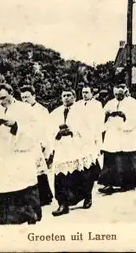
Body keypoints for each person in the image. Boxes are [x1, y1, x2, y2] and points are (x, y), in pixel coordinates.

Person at [50, 88, 100, 216]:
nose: (66, 98)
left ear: (74, 97)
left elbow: (90, 128)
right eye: (64, 95)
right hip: (62, 147)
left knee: (83, 175)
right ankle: (63, 204)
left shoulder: (82, 111)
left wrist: (73, 131)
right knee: (61, 176)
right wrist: (57, 133)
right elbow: (48, 129)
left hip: (79, 146)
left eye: (69, 95)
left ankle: (87, 196)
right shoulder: (56, 112)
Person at [0, 83, 42, 225]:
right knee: (6, 190)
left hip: (21, 155)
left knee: (25, 190)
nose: (1, 102)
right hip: (4, 156)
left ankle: (31, 219)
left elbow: (35, 132)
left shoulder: (25, 109)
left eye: (3, 97)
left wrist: (16, 126)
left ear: (11, 93)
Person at [98, 84, 136, 195]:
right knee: (111, 159)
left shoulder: (133, 103)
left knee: (125, 159)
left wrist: (124, 118)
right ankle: (109, 184)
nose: (118, 96)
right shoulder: (110, 103)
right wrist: (107, 115)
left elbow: (135, 119)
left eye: (120, 94)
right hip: (112, 134)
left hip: (126, 135)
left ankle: (127, 184)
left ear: (125, 92)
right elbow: (103, 116)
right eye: (116, 94)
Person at [19, 85, 54, 207]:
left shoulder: (42, 110)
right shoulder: (21, 110)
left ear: (34, 96)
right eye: (22, 97)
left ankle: (45, 196)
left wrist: (44, 144)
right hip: (25, 142)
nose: (25, 100)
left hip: (38, 143)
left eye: (27, 97)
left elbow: (46, 129)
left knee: (40, 171)